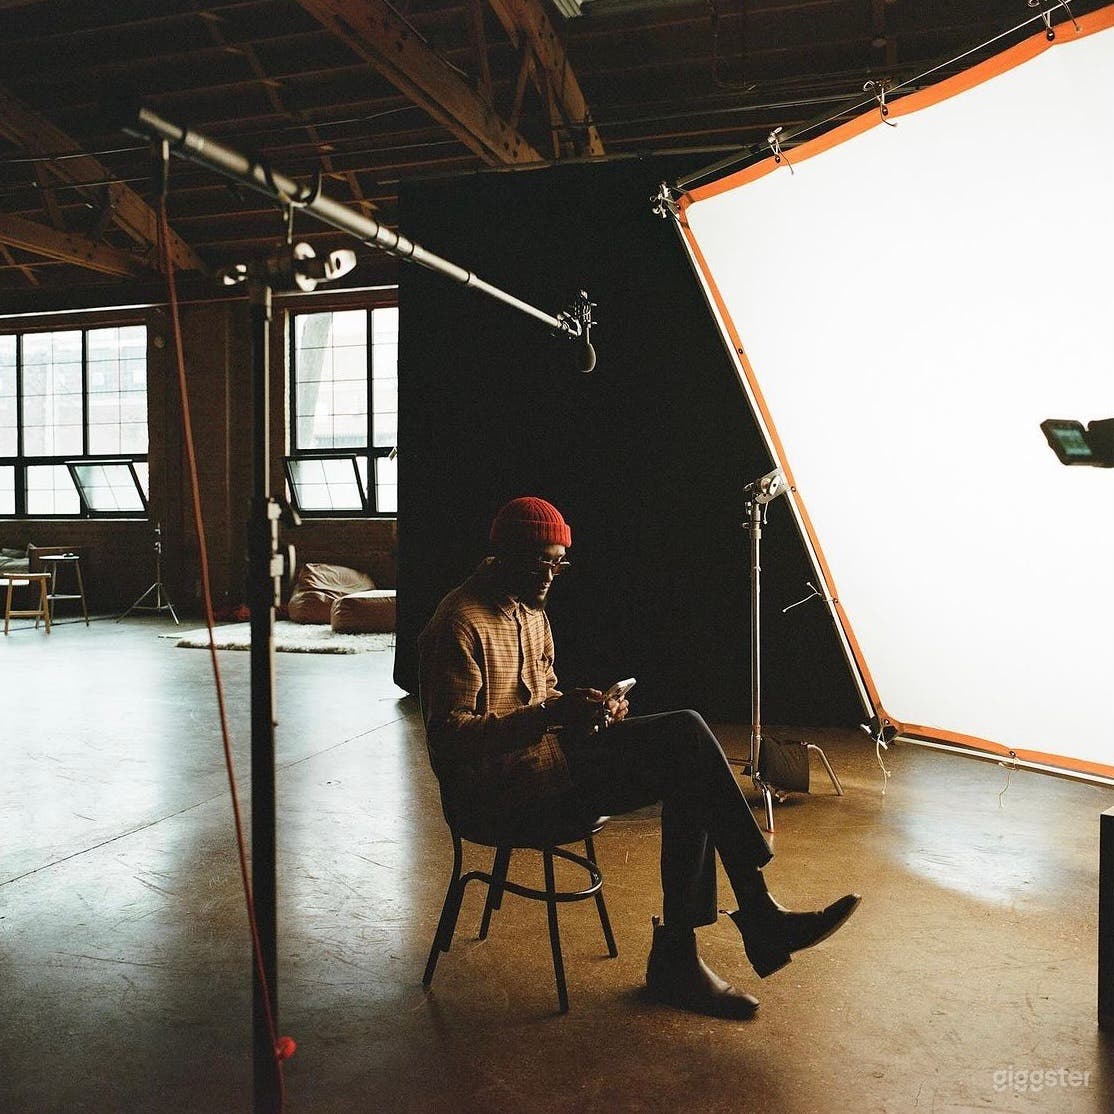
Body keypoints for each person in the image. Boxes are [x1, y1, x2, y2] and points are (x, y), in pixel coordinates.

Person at [418, 496, 860, 1019]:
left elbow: (545, 695)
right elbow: (449, 741)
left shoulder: (529, 609)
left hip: (551, 762)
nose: (552, 575)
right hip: (503, 795)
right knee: (687, 749)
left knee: (687, 744)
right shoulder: (458, 623)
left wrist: (590, 710)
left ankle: (711, 939)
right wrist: (548, 720)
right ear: (502, 554)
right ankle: (738, 927)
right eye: (541, 561)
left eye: (559, 562)